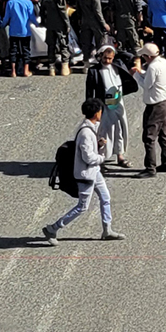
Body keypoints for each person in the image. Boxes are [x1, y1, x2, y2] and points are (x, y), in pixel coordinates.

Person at [41, 99, 124, 244]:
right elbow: (88, 157)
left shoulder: (90, 127)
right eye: (100, 111)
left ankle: (107, 229)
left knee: (105, 197)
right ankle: (52, 228)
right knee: (82, 207)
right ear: (96, 113)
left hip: (94, 172)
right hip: (86, 174)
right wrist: (101, 158)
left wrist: (98, 145)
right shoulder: (86, 133)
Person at [84, 45, 135, 170]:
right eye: (105, 58)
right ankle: (101, 158)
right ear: (100, 56)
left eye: (110, 58)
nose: (107, 61)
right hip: (104, 105)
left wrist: (116, 51)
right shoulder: (94, 71)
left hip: (118, 103)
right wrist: (90, 109)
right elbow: (89, 91)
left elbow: (130, 57)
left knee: (119, 129)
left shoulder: (117, 65)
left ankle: (120, 156)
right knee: (103, 131)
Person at [138, 42, 166, 175]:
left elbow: (146, 85)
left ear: (148, 56)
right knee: (164, 135)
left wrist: (136, 75)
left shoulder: (153, 67)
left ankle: (150, 168)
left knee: (149, 137)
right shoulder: (164, 63)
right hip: (165, 102)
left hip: (155, 105)